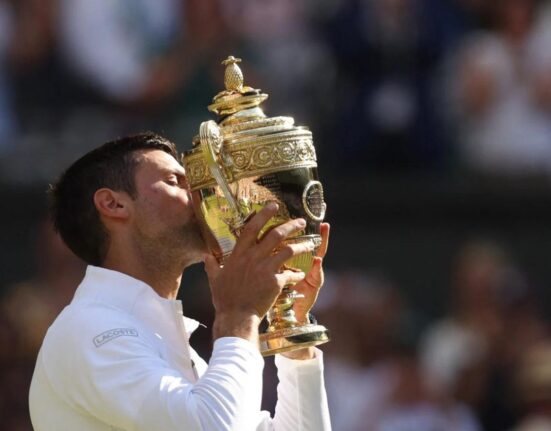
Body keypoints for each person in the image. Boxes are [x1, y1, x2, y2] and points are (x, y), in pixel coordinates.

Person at [28, 132, 332, 430]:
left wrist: (293, 332)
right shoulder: (90, 329)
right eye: (175, 182)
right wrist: (238, 315)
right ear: (113, 204)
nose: (200, 196)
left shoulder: (162, 342)